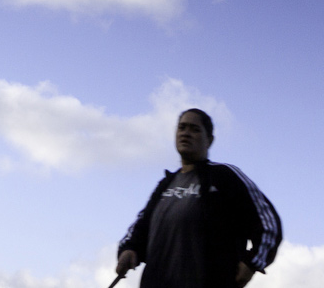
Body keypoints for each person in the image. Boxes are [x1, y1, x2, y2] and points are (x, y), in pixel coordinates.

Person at [115, 108, 282, 287]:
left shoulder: (225, 177)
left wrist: (251, 262)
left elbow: (268, 224)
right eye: (182, 128)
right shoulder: (165, 185)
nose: (186, 133)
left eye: (195, 129)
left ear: (209, 140)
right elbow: (140, 227)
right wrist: (129, 249)